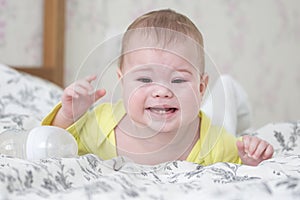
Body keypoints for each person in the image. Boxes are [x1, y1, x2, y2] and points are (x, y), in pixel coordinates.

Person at [42, 9, 273, 166]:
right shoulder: (100, 125)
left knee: (226, 103)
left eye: (178, 80)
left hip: (213, 115)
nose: (162, 91)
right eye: (144, 80)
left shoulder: (215, 141)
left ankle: (227, 89)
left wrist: (251, 158)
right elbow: (52, 143)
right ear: (122, 81)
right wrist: (68, 113)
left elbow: (240, 163)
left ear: (201, 87)